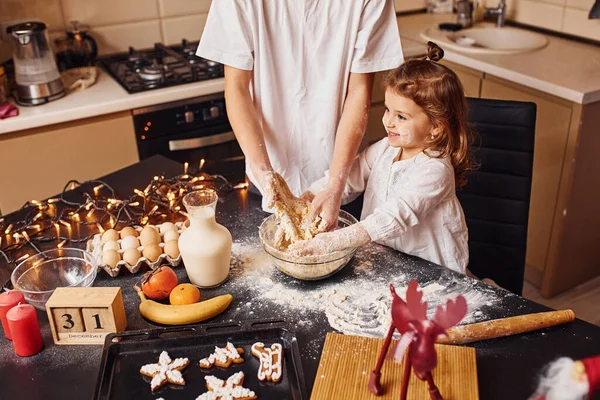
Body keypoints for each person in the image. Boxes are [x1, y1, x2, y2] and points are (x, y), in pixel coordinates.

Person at [196, 0, 404, 228]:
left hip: (342, 182)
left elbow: (358, 92)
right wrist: (266, 174)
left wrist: (335, 183)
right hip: (266, 177)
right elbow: (237, 89)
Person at [289, 42, 474, 274]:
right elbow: (346, 179)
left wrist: (332, 241)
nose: (388, 121)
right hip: (388, 262)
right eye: (388, 110)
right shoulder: (386, 148)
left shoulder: (435, 171)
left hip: (432, 272)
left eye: (402, 116)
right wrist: (309, 197)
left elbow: (393, 218)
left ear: (436, 127)